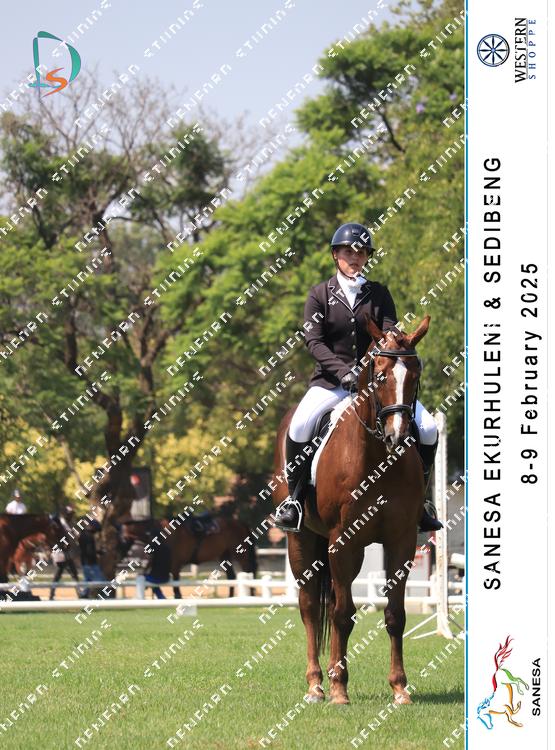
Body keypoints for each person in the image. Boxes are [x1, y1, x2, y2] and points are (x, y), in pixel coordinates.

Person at [274, 222, 443, 534]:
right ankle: (294, 501)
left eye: (361, 252)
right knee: (299, 425)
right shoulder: (319, 295)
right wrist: (343, 373)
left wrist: (396, 342)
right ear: (335, 255)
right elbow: (314, 342)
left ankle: (421, 502)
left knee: (429, 427)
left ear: (367, 257)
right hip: (330, 384)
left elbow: (389, 330)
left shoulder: (379, 293)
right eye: (348, 252)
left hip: (377, 385)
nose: (355, 257)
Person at [49, 505, 80, 599]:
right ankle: (52, 594)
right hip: (60, 552)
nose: (71, 516)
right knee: (62, 573)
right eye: (69, 514)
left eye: (71, 514)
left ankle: (79, 593)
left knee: (72, 573)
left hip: (66, 552)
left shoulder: (67, 523)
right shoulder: (61, 524)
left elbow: (73, 535)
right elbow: (61, 538)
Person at [78, 520, 103, 598]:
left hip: (84, 562)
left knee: (88, 579)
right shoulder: (89, 536)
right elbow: (89, 551)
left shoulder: (82, 534)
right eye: (96, 530)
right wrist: (98, 553)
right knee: (100, 580)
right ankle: (104, 597)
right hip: (90, 563)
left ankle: (83, 594)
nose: (96, 532)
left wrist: (97, 552)